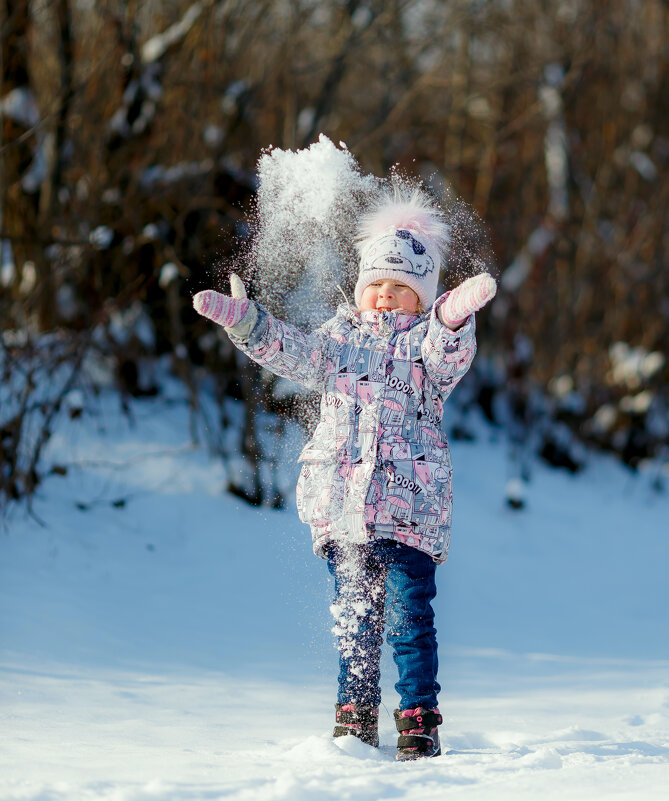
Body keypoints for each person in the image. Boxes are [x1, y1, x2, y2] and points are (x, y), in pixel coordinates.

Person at [193, 188, 496, 760]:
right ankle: (354, 717)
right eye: (376, 285)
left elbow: (447, 353)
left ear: (420, 299)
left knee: (409, 620)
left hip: (408, 513)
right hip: (344, 510)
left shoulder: (423, 353)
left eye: (401, 290)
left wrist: (453, 315)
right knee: (355, 619)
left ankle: (416, 718)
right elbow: (292, 352)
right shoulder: (338, 341)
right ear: (360, 290)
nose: (385, 297)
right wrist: (247, 322)